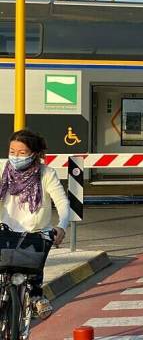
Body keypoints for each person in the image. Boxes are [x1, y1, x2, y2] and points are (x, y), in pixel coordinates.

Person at [0, 130, 68, 320]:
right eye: (12, 151)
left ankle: (36, 296)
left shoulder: (46, 173)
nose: (15, 156)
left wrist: (61, 226)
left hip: (35, 233)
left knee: (32, 275)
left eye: (22, 153)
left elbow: (62, 202)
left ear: (35, 153)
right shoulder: (2, 170)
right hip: (5, 232)